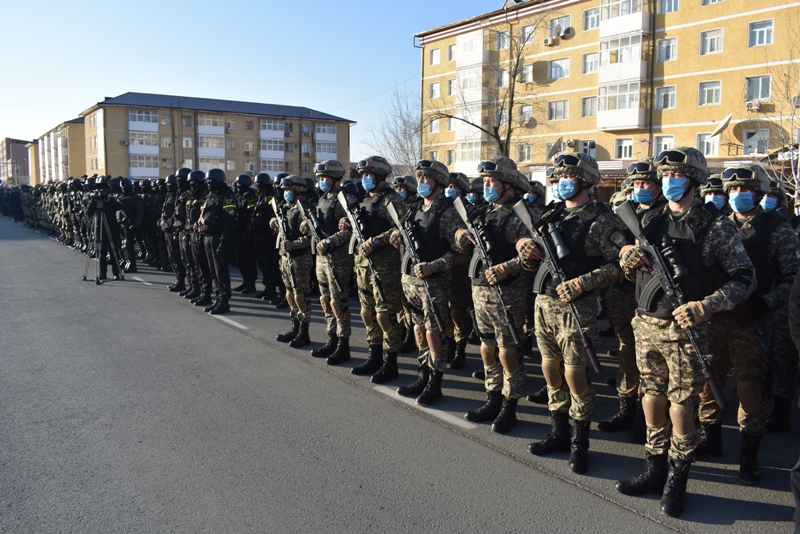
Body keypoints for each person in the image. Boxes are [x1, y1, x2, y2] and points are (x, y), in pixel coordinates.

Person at [615, 147, 756, 517]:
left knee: (681, 407)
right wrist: (627, 257)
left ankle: (678, 477)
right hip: (645, 325)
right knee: (651, 399)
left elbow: (745, 277)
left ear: (693, 181)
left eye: (675, 176)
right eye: (664, 177)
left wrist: (705, 306)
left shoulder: (715, 225)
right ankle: (653, 467)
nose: (667, 182)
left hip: (684, 331)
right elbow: (629, 266)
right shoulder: (649, 219)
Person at [519, 152, 628, 473]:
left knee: (575, 374)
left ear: (584, 181)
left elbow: (619, 265)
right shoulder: (550, 215)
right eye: (558, 178)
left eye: (567, 178)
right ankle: (558, 432)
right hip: (544, 302)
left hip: (575, 307)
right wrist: (525, 249)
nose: (560, 183)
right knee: (550, 370)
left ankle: (580, 442)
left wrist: (582, 284)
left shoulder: (602, 219)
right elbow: (531, 258)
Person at [694, 163, 799, 485]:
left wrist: (765, 303)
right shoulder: (717, 226)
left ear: (761, 193)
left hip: (751, 321)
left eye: (747, 190)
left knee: (749, 388)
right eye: (734, 190)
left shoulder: (778, 231)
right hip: (715, 318)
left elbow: (793, 280)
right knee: (708, 383)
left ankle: (749, 455)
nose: (739, 195)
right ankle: (710, 439)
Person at [456, 156, 531, 434]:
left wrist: (505, 268)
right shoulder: (484, 211)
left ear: (508, 185)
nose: (486, 186)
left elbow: (534, 254)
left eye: (491, 182)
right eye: (485, 182)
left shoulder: (521, 213)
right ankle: (492, 397)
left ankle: (510, 406)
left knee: (508, 352)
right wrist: (461, 236)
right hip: (480, 290)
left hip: (507, 293)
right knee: (487, 349)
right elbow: (463, 238)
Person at [391, 159, 465, 405]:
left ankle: (435, 382)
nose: (421, 181)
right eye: (420, 178)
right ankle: (423, 374)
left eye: (426, 178)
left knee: (434, 333)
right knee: (419, 330)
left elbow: (459, 252)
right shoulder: (413, 208)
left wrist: (435, 266)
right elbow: (402, 228)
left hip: (434, 283)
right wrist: (395, 235)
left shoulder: (448, 212)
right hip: (411, 281)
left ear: (439, 182)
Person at [599, 158, 663, 440]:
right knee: (627, 353)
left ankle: (644, 417)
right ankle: (626, 408)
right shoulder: (627, 213)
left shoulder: (666, 216)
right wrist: (624, 248)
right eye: (636, 183)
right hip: (625, 293)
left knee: (652, 363)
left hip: (657, 301)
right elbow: (608, 243)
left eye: (646, 183)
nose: (640, 188)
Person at [346, 156, 407, 383]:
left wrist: (376, 241)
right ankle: (374, 356)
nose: (365, 179)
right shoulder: (364, 200)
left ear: (380, 176)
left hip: (385, 267)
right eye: (363, 175)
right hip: (362, 265)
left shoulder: (392, 200)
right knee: (367, 313)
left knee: (385, 315)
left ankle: (390, 363)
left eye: (369, 175)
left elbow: (400, 229)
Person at [308, 161, 357, 365]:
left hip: (338, 258)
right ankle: (332, 339)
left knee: (339, 303)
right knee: (326, 301)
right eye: (319, 178)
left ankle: (343, 345)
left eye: (324, 178)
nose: (321, 181)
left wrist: (329, 242)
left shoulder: (346, 199)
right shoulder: (323, 198)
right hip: (321, 258)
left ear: (336, 179)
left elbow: (351, 228)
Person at [271, 175, 314, 347]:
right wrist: (273, 222)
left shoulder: (306, 209)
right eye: (285, 190)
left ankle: (304, 333)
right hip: (285, 258)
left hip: (300, 258)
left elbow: (311, 237)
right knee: (289, 294)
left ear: (299, 190)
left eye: (289, 190)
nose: (286, 193)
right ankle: (294, 328)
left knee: (300, 296)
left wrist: (293, 245)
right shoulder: (286, 208)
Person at [198, 168, 238, 315]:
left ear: (218, 181)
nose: (208, 183)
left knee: (221, 272)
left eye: (210, 180)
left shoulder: (226, 197)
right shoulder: (210, 196)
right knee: (213, 272)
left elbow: (229, 222)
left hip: (218, 237)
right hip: (207, 236)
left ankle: (224, 302)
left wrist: (224, 242)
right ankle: (217, 299)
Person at [232, 174, 259, 294]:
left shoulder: (251, 196)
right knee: (241, 259)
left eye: (240, 184)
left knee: (248, 259)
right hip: (238, 231)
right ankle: (245, 280)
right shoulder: (238, 196)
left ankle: (251, 283)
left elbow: (250, 213)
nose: (237, 186)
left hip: (247, 232)